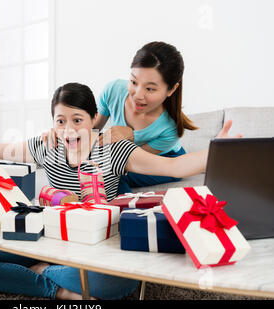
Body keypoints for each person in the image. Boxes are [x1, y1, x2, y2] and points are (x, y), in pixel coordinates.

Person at [0, 82, 237, 300]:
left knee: (117, 285)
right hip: (49, 238)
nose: (69, 129)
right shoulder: (46, 148)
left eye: (77, 119)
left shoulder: (114, 150)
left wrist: (217, 150)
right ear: (52, 123)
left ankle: (44, 272)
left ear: (92, 120)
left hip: (99, 246)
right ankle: (55, 285)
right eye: (60, 120)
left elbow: (173, 168)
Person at [43, 41, 197, 195]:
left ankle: (122, 215)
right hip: (123, 153)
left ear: (171, 89)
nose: (137, 95)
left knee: (114, 174)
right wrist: (62, 132)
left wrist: (130, 135)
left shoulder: (169, 129)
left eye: (150, 88)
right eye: (133, 81)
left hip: (164, 158)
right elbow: (90, 129)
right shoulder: (113, 90)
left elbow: (129, 161)